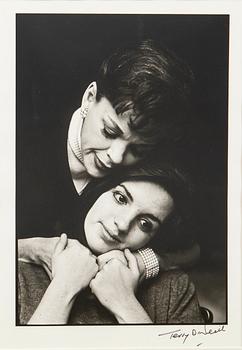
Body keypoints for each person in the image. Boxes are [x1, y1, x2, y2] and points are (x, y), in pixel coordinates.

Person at [18, 39, 197, 278]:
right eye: (109, 132)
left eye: (138, 149)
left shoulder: (146, 172)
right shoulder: (20, 149)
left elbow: (193, 249)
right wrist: (28, 249)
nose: (116, 157)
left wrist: (143, 262)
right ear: (90, 97)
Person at [17, 165, 203, 325]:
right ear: (99, 191)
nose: (122, 224)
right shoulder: (18, 271)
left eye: (145, 224)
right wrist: (64, 286)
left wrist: (125, 303)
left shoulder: (174, 289)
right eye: (121, 198)